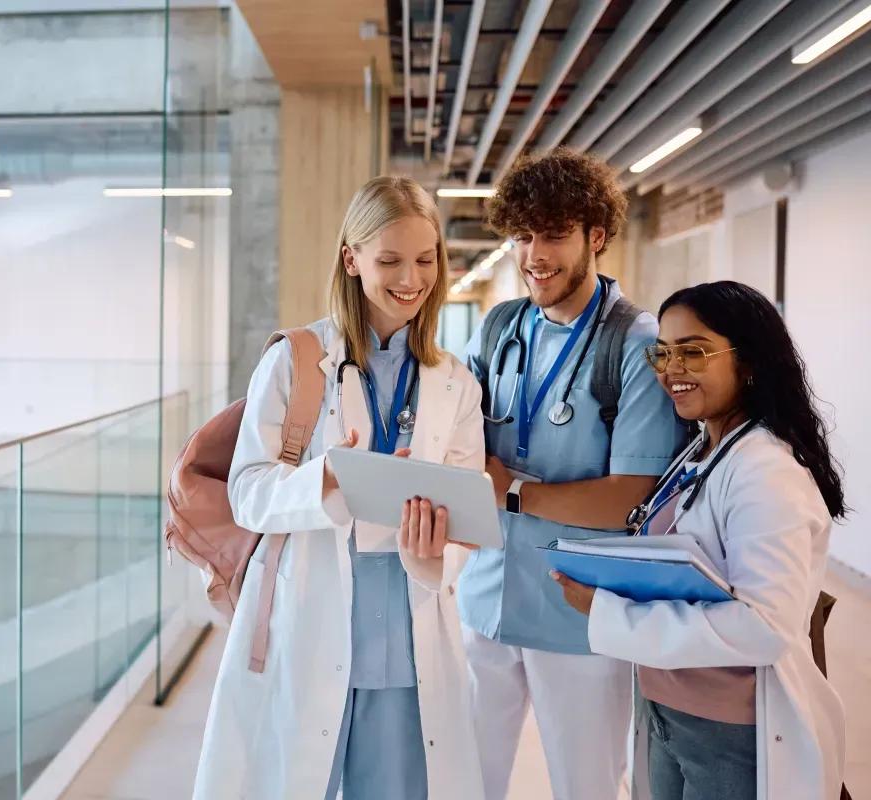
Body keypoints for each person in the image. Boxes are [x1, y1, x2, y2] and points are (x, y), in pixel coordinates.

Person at [193, 176, 487, 800]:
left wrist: (437, 555)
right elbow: (247, 491)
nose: (412, 278)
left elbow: (468, 510)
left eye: (426, 259)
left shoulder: (455, 382)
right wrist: (322, 478)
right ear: (351, 259)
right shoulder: (296, 361)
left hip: (406, 645)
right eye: (390, 260)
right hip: (313, 617)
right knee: (298, 777)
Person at [551, 280, 847, 800]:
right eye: (662, 353)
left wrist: (608, 611)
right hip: (668, 711)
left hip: (730, 735)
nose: (671, 370)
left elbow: (764, 626)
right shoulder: (701, 451)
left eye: (694, 351)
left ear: (749, 361)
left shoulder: (765, 471)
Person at [459, 148, 685, 800]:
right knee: (465, 779)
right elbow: (458, 440)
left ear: (596, 236)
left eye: (553, 235)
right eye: (522, 236)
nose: (534, 255)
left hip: (578, 616)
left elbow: (630, 501)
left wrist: (516, 491)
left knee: (584, 785)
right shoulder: (501, 327)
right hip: (486, 600)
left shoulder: (637, 344)